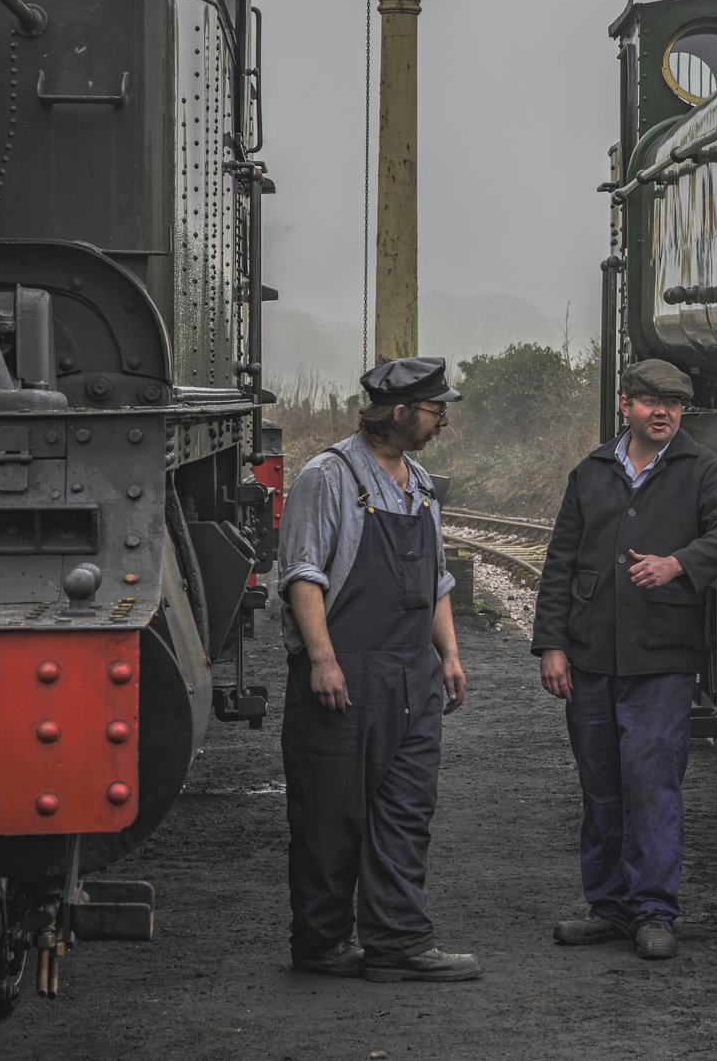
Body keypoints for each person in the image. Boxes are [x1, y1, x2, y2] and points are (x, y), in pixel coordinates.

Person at [532, 358, 717, 961]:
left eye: (675, 404)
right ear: (626, 404)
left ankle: (654, 912)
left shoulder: (701, 468)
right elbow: (560, 564)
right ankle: (607, 908)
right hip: (590, 656)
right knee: (601, 785)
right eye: (652, 401)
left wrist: (679, 563)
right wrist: (553, 645)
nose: (664, 412)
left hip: (662, 658)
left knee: (652, 784)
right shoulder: (591, 473)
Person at [275, 356, 480, 983]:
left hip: (412, 672)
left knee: (406, 810)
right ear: (399, 413)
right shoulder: (327, 477)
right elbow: (303, 575)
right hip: (347, 672)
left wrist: (448, 653)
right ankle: (323, 943)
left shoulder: (418, 481)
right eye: (434, 408)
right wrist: (324, 660)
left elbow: (438, 577)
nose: (443, 418)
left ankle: (397, 941)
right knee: (332, 815)